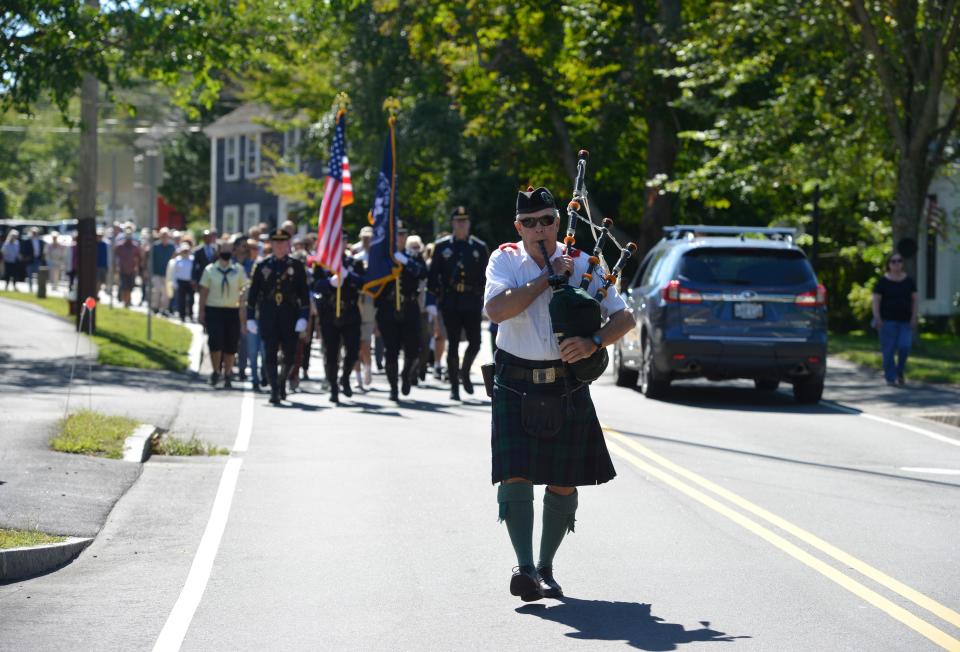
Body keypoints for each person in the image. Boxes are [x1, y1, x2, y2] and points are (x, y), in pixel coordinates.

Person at [484, 186, 635, 602]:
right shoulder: (505, 261)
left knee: (564, 481)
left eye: (547, 219)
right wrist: (547, 278)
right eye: (529, 223)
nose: (539, 228)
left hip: (566, 383)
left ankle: (546, 566)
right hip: (514, 380)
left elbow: (624, 317)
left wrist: (594, 343)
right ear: (519, 227)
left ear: (557, 221)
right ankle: (524, 567)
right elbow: (496, 311)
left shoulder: (586, 263)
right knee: (515, 473)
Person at [428, 206, 489, 400]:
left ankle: (464, 372)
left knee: (476, 342)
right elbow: (432, 277)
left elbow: (488, 276)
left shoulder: (479, 247)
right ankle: (454, 386)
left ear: (469, 223)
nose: (462, 224)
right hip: (451, 302)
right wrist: (440, 296)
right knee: (452, 344)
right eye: (458, 221)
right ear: (453, 223)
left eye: (465, 221)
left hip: (472, 301)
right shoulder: (442, 247)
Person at [246, 229, 310, 404]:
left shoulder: (296, 266)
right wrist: (250, 317)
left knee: (290, 355)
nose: (280, 246)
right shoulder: (262, 266)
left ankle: (282, 381)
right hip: (269, 314)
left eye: (283, 243)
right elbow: (253, 294)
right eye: (277, 243)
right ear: (271, 245)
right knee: (270, 353)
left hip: (290, 315)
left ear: (288, 245)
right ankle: (274, 388)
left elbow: (304, 294)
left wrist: (304, 317)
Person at [375, 233, 428, 401]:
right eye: (397, 235)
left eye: (403, 235)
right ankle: (393, 387)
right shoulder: (383, 258)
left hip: (410, 306)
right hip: (388, 309)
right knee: (391, 349)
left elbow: (423, 273)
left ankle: (406, 375)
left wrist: (405, 261)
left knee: (413, 349)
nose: (400, 238)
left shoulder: (412, 257)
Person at [314, 250, 364, 403]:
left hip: (350, 313)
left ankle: (345, 377)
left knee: (353, 350)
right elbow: (315, 286)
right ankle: (334, 387)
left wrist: (349, 276)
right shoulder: (321, 264)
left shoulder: (354, 263)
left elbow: (363, 282)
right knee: (331, 353)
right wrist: (329, 282)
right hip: (329, 314)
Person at [198, 241, 248, 388]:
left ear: (232, 252)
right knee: (215, 342)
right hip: (214, 310)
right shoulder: (210, 270)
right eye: (223, 249)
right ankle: (215, 371)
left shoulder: (238, 270)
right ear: (218, 252)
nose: (226, 252)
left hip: (232, 311)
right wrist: (201, 312)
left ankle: (227, 374)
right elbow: (204, 292)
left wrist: (243, 315)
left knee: (231, 344)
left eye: (228, 249)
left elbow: (243, 291)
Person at [872, 252, 918, 386]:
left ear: (902, 263)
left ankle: (899, 370)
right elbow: (876, 301)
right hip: (887, 321)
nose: (896, 264)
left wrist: (914, 316)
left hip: (905, 321)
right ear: (889, 264)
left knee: (905, 346)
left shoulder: (909, 281)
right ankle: (890, 377)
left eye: (899, 261)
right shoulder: (883, 281)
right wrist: (877, 317)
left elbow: (915, 300)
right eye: (893, 261)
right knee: (889, 350)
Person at [352, 226, 375, 389]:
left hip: (369, 303)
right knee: (353, 342)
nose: (367, 241)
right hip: (355, 301)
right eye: (364, 238)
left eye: (369, 238)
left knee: (365, 342)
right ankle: (357, 376)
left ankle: (367, 368)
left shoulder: (377, 260)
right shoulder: (356, 259)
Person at [150, 228, 176, 315]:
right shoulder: (155, 246)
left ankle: (164, 309)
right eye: (163, 236)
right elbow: (151, 260)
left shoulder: (172, 247)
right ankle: (155, 307)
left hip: (168, 274)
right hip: (157, 272)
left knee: (166, 293)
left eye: (166, 236)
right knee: (156, 290)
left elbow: (174, 260)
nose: (164, 238)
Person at [114, 228, 143, 307]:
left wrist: (137, 267)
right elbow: (115, 257)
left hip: (132, 270)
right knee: (124, 286)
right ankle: (125, 301)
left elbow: (139, 258)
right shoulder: (120, 246)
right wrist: (116, 267)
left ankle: (128, 300)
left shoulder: (135, 246)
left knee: (130, 286)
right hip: (122, 269)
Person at [172, 244, 195, 321]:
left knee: (191, 299)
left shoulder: (192, 259)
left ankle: (191, 314)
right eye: (184, 251)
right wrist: (174, 283)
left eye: (186, 251)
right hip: (181, 282)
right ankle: (182, 315)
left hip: (190, 282)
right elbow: (175, 272)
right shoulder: (178, 260)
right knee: (181, 299)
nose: (185, 252)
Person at [20, 227, 46, 292]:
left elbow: (43, 250)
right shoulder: (27, 241)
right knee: (29, 275)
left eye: (35, 233)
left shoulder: (41, 241)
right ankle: (30, 289)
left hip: (38, 260)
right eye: (33, 233)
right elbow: (23, 250)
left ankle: (38, 289)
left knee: (39, 275)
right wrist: (25, 257)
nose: (34, 234)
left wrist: (42, 258)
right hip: (29, 260)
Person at [192, 229, 219, 293]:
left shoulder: (215, 249)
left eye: (209, 237)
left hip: (213, 276)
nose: (208, 239)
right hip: (202, 277)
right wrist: (193, 279)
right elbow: (194, 265)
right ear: (203, 238)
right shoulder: (198, 250)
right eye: (206, 237)